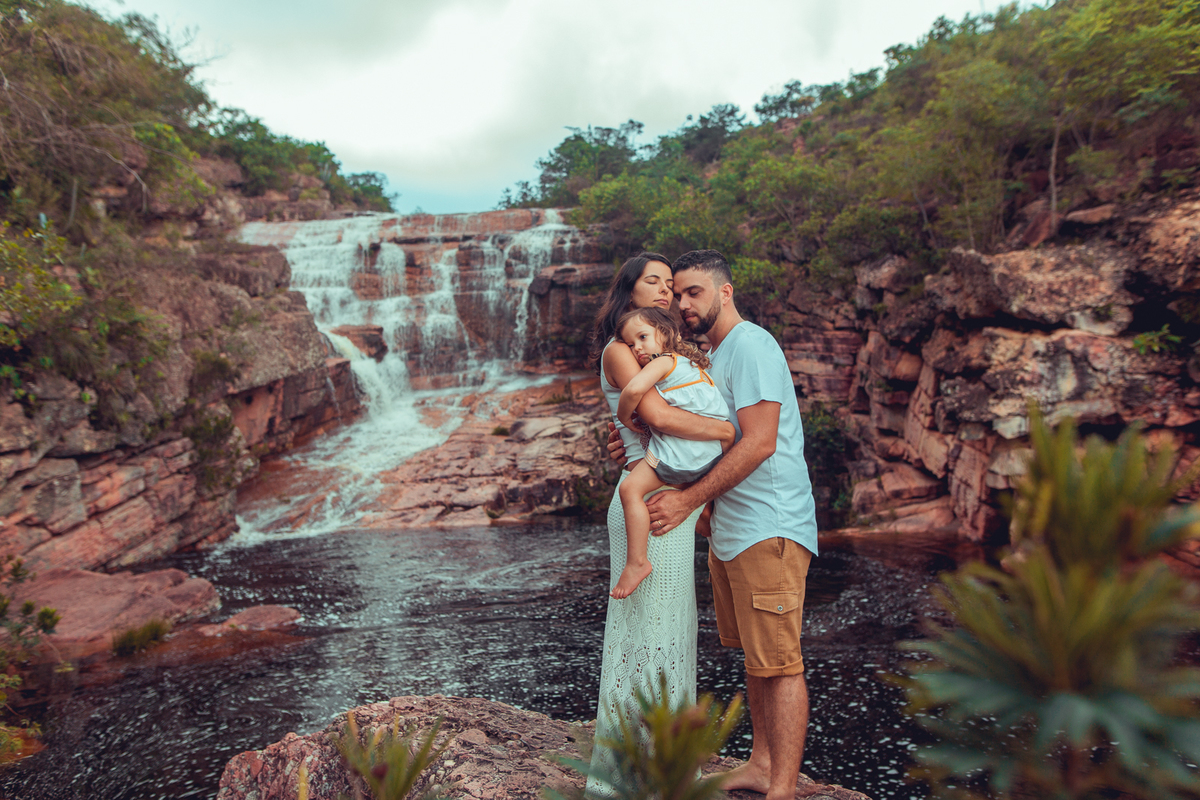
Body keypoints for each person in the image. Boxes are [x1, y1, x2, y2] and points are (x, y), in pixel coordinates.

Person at [609, 249, 819, 800]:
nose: (682, 303)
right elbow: (691, 428)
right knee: (757, 657)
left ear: (725, 292)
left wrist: (686, 503)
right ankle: (761, 763)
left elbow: (759, 441)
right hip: (731, 527)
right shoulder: (708, 356)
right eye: (676, 294)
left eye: (694, 292)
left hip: (768, 524)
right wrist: (637, 439)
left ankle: (784, 788)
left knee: (780, 660)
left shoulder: (750, 344)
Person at [585, 252, 735, 797]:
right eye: (655, 282)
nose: (668, 291)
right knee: (649, 631)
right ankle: (638, 771)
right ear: (628, 291)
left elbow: (658, 416)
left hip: (667, 496)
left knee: (666, 628)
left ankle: (658, 764)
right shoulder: (624, 350)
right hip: (651, 504)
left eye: (672, 285)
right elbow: (659, 418)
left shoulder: (666, 351)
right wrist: (729, 432)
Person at [610, 307, 730, 599]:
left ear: (666, 335)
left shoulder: (663, 362)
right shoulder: (691, 365)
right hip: (711, 452)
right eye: (630, 344)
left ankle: (637, 562)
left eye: (642, 337)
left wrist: (625, 417)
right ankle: (705, 512)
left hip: (683, 453)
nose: (636, 347)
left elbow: (633, 390)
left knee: (630, 490)